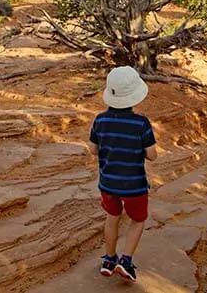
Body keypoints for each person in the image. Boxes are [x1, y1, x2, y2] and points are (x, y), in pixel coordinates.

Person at [89, 66, 157, 283]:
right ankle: (125, 261)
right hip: (134, 185)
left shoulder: (100, 120)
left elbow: (92, 149)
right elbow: (152, 155)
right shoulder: (141, 123)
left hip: (108, 183)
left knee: (112, 218)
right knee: (137, 220)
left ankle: (109, 259)